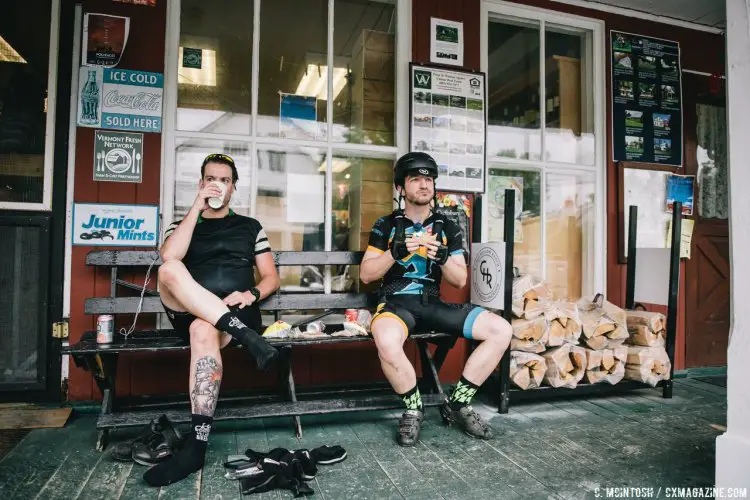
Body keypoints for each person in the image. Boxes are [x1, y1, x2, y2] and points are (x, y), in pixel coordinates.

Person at [144, 153, 281, 487]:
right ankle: (250, 339)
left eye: (224, 180)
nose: (217, 185)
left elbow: (270, 278)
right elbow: (169, 256)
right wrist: (196, 208)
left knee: (203, 328)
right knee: (169, 268)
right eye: (210, 179)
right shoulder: (183, 224)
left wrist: (250, 294)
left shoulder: (251, 227)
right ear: (201, 183)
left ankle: (196, 447)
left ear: (233, 187)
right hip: (186, 306)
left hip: (234, 310)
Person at [360, 152, 512, 446]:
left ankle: (460, 402)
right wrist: (396, 251)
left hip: (432, 302)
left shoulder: (447, 226)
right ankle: (413, 409)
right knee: (386, 341)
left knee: (501, 330)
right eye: (415, 179)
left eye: (428, 179)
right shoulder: (386, 224)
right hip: (395, 302)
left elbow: (459, 279)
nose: (423, 185)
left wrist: (442, 256)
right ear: (401, 187)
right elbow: (367, 274)